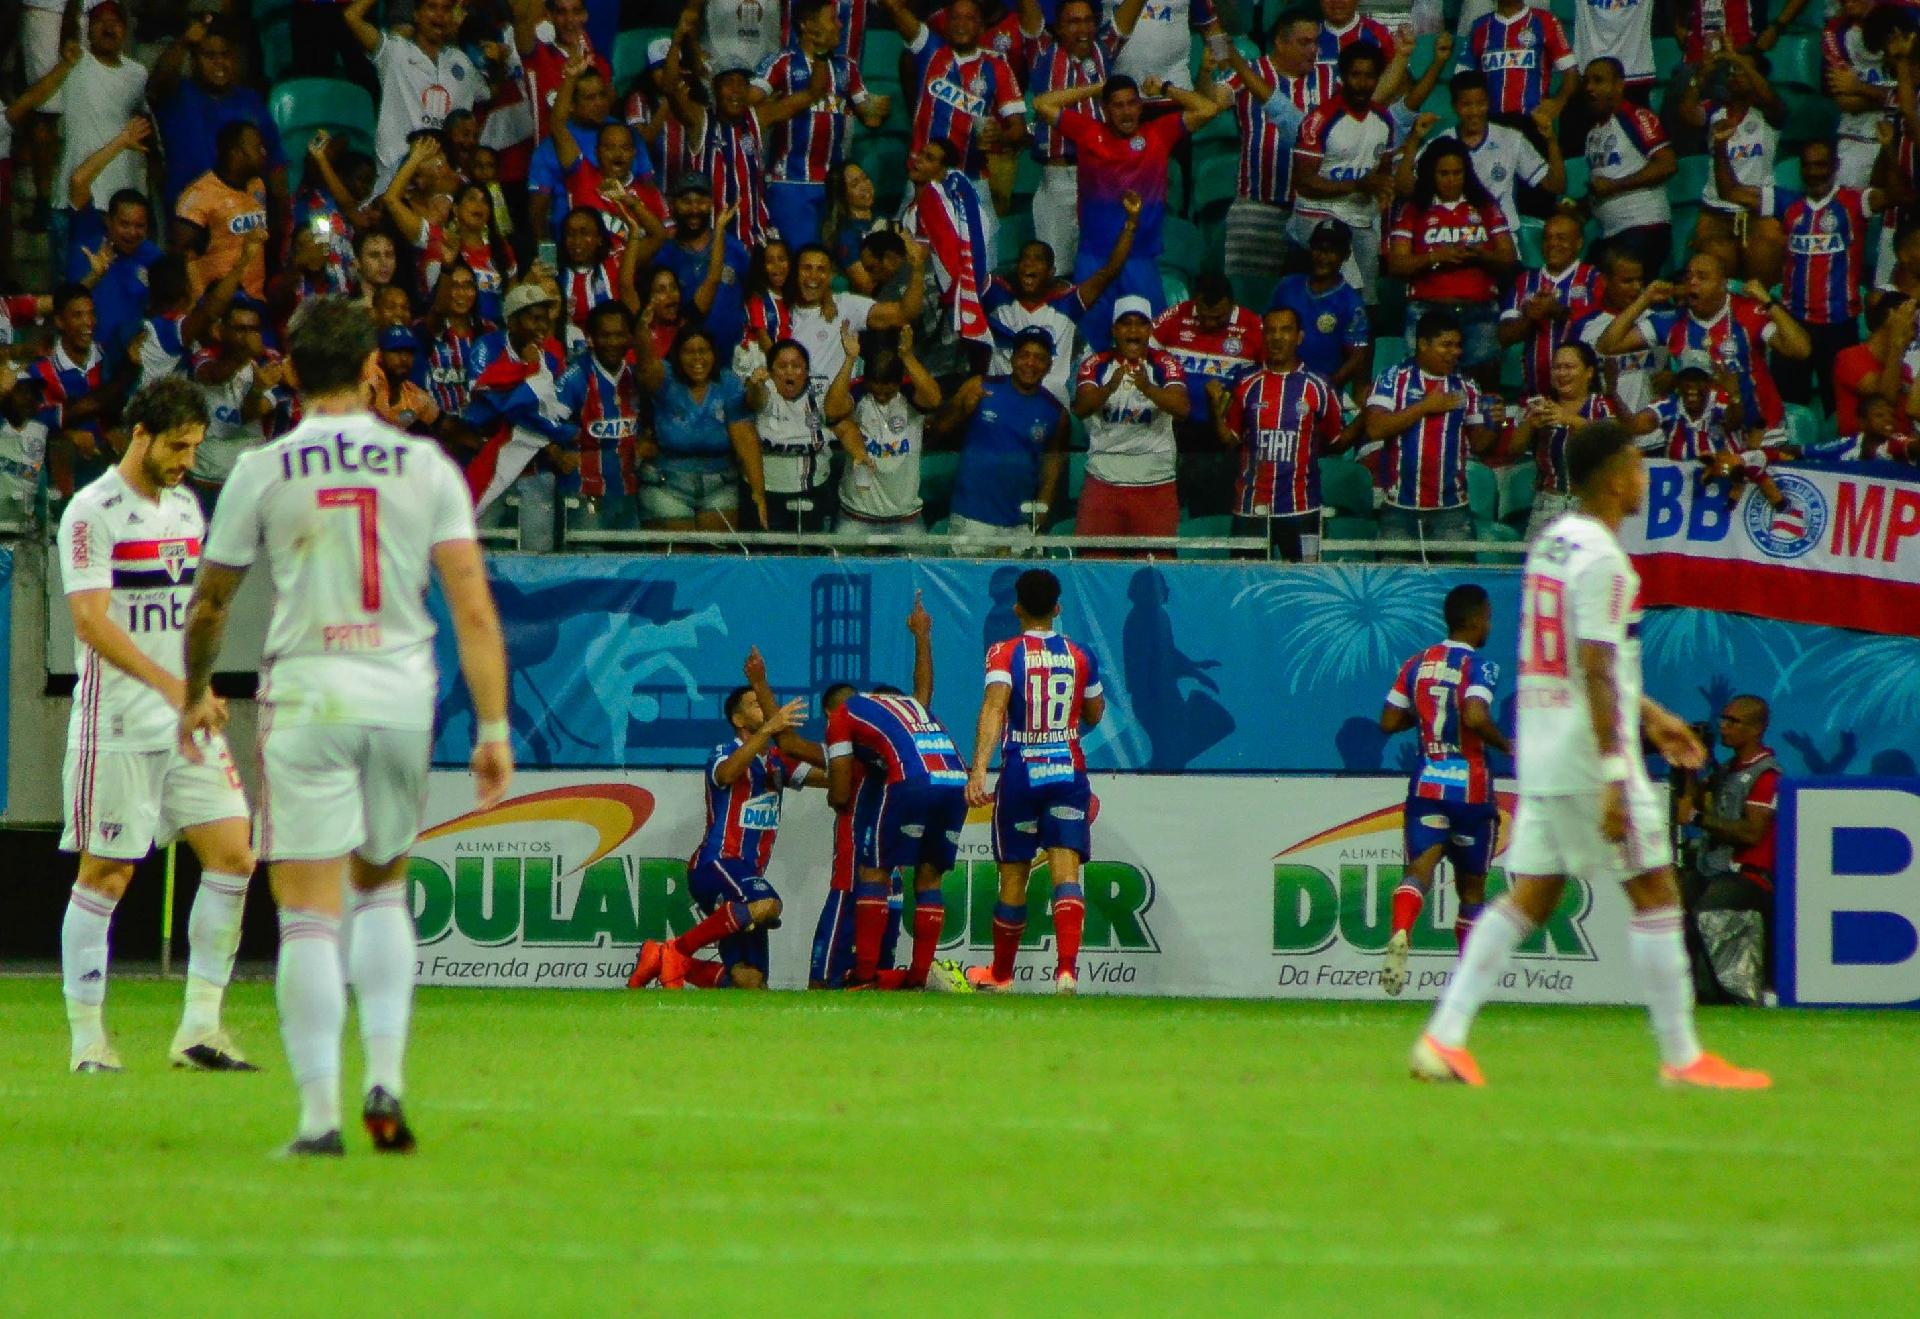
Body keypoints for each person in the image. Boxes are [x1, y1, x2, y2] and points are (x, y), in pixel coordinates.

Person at [178, 295, 512, 1154]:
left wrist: (196, 688)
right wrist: (493, 727)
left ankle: (321, 1117)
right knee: (383, 889)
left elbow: (211, 603)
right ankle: (386, 1078)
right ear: (371, 368)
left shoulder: (263, 468)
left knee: (308, 913)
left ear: (290, 370)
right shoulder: (425, 465)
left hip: (309, 694)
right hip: (399, 693)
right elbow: (474, 607)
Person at [1409, 420, 1769, 1090]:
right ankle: (1682, 1056)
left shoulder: (1553, 543)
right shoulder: (1605, 560)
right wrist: (1612, 772)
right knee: (1655, 891)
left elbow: (1583, 661)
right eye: (1638, 465)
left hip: (1545, 749)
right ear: (1615, 477)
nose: (1645, 477)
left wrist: (1655, 717)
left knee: (1531, 896)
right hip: (1587, 753)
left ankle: (1443, 1037)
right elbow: (1597, 668)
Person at [53, 377, 256, 1074]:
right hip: (116, 724)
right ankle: (88, 1042)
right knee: (106, 875)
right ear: (140, 435)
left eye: (194, 448)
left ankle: (200, 1030)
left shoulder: (186, 507)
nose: (186, 461)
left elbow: (189, 614)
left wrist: (197, 688)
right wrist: (175, 688)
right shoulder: (91, 512)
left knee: (234, 856)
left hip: (184, 721)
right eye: (176, 446)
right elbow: (91, 622)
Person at [964, 568, 1105, 994]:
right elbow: (1095, 712)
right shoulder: (1080, 655)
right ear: (1057, 608)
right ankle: (1066, 972)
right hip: (1067, 770)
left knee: (1013, 876)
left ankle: (1002, 975)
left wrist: (978, 769)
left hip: (1022, 772)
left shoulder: (1004, 652)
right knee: (1066, 873)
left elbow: (994, 708)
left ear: (1017, 608)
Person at [631, 680, 815, 990]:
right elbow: (726, 774)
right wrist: (769, 729)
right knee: (768, 904)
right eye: (755, 704)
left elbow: (832, 779)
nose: (765, 708)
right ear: (738, 719)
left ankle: (662, 957)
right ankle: (678, 949)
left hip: (745, 880)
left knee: (751, 983)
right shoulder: (723, 752)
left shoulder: (777, 762)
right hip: (716, 864)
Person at [1378, 583, 1511, 996]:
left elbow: (1388, 721)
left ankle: (1401, 930)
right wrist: (1507, 745)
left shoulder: (1416, 663)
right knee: (1470, 891)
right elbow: (1475, 715)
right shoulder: (1480, 666)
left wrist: (1424, 717)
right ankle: (1467, 983)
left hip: (1428, 785)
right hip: (1470, 792)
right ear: (1476, 619)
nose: (1490, 625)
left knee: (1418, 872)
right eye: (1488, 618)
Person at [1712, 127, 1903, 414]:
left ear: (1835, 166)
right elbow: (1730, 192)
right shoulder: (1787, 202)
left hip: (1839, 325)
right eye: (1807, 165)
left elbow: (1898, 195)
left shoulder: (1854, 202)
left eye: (1821, 165)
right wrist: (1719, 145)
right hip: (1794, 322)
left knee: (1841, 409)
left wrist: (1888, 149)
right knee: (1788, 408)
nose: (1813, 172)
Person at [1031, 74, 1225, 348]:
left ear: (1141, 106)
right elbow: (1041, 103)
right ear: (1105, 109)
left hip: (1140, 259)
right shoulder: (1088, 132)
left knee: (1152, 342)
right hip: (1094, 259)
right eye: (1118, 105)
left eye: (1132, 103)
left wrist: (1165, 88)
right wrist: (1097, 88)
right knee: (1089, 346)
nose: (1126, 112)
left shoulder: (1159, 133)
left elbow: (1208, 108)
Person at [1596, 252, 1811, 445]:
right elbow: (1608, 345)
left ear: (1723, 284)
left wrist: (1769, 303)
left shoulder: (1747, 313)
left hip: (1763, 433)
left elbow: (1801, 349)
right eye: (1689, 276)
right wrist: (1645, 299)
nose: (1692, 282)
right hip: (1710, 439)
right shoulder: (1671, 322)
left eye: (1702, 277)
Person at [1209, 305, 1347, 561]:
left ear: (1299, 337)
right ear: (1263, 336)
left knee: (1305, 582)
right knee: (1246, 582)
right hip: (1251, 508)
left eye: (1285, 330)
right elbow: (1230, 441)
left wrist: (1366, 414)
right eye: (1271, 331)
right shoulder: (1245, 383)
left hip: (1302, 509)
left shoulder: (1319, 385)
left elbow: (1337, 441)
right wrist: (1216, 411)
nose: (1277, 337)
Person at [1213, 7, 1333, 301]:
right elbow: (1214, 101)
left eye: (1316, 42)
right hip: (1258, 207)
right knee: (1247, 301)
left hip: (1314, 210)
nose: (1313, 49)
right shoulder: (1249, 72)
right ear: (1280, 42)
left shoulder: (1331, 76)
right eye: (1304, 42)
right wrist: (1206, 71)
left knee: (1310, 302)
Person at [752, 0, 893, 250]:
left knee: (832, 261)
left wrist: (879, 108)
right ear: (807, 25)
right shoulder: (782, 63)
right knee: (800, 258)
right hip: (791, 183)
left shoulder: (847, 67)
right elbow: (749, 103)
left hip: (834, 189)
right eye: (832, 19)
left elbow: (870, 117)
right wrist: (777, 108)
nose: (840, 25)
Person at [1385, 135, 1517, 389]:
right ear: (1430, 174)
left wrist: (1479, 254)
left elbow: (1508, 258)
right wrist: (1437, 256)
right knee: (1423, 390)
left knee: (1482, 392)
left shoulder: (1485, 206)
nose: (1451, 180)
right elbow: (1396, 265)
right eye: (1444, 173)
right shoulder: (1414, 209)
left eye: (1458, 173)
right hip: (1427, 312)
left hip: (1480, 312)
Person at [983, 191, 1141, 404]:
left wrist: (1131, 224)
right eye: (1024, 258)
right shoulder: (996, 295)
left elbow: (1110, 270)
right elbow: (964, 268)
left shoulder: (1068, 303)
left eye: (1038, 259)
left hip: (1050, 402)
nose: (1029, 263)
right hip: (1000, 401)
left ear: (1051, 272)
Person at [1019, 0, 1138, 279]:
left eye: (1088, 21)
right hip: (1059, 179)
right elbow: (1029, 11)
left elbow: (1130, 12)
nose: (1083, 28)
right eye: (1073, 22)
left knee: (1103, 267)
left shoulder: (1103, 49)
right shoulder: (1042, 52)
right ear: (1058, 28)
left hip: (1101, 177)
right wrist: (1099, 88)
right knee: (1057, 271)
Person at [1679, 695, 1782, 1006]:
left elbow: (1752, 833)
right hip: (1713, 869)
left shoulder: (1767, 775)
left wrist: (1697, 818)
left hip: (1749, 876)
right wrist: (1690, 765)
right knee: (1674, 906)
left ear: (1756, 728)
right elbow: (1692, 803)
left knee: (1709, 911)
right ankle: (1693, 994)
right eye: (1723, 719)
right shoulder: (1726, 770)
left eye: (1732, 721)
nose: (1723, 726)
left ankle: (1731, 995)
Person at [1364, 309, 1499, 547]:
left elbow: (1480, 445)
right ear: (1423, 344)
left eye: (1458, 345)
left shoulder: (1467, 386)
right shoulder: (1392, 379)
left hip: (1452, 512)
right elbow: (1375, 429)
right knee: (1395, 573)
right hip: (1399, 510)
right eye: (1446, 345)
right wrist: (1425, 406)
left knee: (1455, 572)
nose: (1455, 352)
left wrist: (1495, 422)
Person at [150, 14, 289, 227]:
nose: (219, 62)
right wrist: (184, 42)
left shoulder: (250, 100)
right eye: (210, 55)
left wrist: (283, 220)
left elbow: (275, 160)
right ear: (194, 59)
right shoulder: (177, 94)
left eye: (225, 54)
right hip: (190, 221)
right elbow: (158, 81)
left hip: (242, 219)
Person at [1073, 295, 1189, 545]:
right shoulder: (1096, 364)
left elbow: (1182, 409)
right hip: (1103, 482)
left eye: (1141, 323)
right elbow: (1081, 408)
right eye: (1126, 324)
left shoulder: (1166, 363)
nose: (1133, 330)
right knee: (1095, 562)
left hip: (1156, 483)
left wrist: (1148, 388)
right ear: (1114, 330)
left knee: (1156, 563)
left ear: (1149, 330)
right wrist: (1109, 388)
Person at [937, 327, 1070, 544]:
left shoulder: (1056, 413)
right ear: (1013, 358)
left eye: (1039, 358)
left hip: (1020, 524)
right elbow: (939, 429)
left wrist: (1038, 520)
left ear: (1049, 366)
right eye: (1024, 355)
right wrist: (962, 411)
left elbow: (1052, 472)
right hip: (972, 518)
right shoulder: (979, 386)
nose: (1030, 363)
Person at [1291, 42, 1400, 302]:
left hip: (1361, 218)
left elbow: (1383, 173)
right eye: (1355, 75)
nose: (1362, 84)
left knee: (1369, 298)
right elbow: (1304, 182)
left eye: (1369, 76)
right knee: (1348, 290)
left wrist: (1384, 189)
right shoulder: (1321, 119)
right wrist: (1357, 185)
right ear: (1343, 76)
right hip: (1318, 215)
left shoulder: (1384, 119)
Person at [1151, 271, 1266, 517]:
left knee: (1212, 509)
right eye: (1204, 317)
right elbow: (1141, 353)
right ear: (1195, 302)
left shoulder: (1254, 326)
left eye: (1219, 318)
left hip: (1224, 435)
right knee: (1165, 508)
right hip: (1175, 430)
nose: (1211, 324)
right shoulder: (1175, 316)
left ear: (1232, 305)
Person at [634, 318, 766, 531]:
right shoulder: (664, 378)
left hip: (720, 484)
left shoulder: (728, 382)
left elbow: (745, 438)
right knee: (677, 553)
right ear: (678, 355)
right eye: (689, 351)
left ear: (714, 354)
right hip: (666, 485)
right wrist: (642, 330)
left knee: (716, 553)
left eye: (704, 351)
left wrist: (758, 494)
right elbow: (645, 367)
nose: (697, 358)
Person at [1674, 43, 1785, 282]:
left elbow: (1770, 97)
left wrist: (1736, 57)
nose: (1735, 75)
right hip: (1716, 212)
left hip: (1757, 211)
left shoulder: (1769, 113)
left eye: (1742, 70)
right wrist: (1700, 76)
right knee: (1711, 274)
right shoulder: (1714, 110)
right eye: (1732, 70)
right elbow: (1686, 113)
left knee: (1763, 270)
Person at [881, 0, 1026, 180]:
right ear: (946, 24)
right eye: (955, 18)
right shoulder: (929, 49)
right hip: (924, 176)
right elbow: (894, 7)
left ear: (981, 28)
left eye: (969, 18)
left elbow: (1019, 130)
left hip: (972, 178)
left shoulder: (997, 67)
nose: (961, 24)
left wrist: (1000, 137)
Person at [344, 0, 479, 188]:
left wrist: (498, 68)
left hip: (440, 184)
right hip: (392, 178)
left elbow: (488, 95)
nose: (440, 14)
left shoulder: (463, 62)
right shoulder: (394, 51)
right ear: (416, 15)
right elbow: (351, 16)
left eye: (446, 9)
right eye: (432, 7)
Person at [53, 1, 148, 254]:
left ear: (125, 30)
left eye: (115, 22)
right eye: (99, 21)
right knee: (72, 276)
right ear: (88, 29)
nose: (108, 27)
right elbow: (67, 32)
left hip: (121, 204)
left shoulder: (138, 74)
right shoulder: (74, 61)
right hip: (74, 197)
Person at [831, 329, 941, 537]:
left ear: (899, 382)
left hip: (906, 515)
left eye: (888, 392)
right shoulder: (859, 393)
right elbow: (832, 410)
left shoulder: (910, 394)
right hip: (856, 514)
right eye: (876, 391)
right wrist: (850, 360)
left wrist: (907, 356)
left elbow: (934, 399)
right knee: (839, 560)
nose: (881, 397)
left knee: (922, 559)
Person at [1431, 72, 1564, 238]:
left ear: (1488, 102)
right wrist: (1414, 139)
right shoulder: (1441, 142)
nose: (1474, 111)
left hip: (1503, 236)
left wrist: (1551, 140)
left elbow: (1555, 186)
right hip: (1457, 234)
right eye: (1466, 105)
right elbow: (1407, 187)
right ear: (1454, 106)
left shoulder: (1511, 138)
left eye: (1480, 103)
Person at [1514, 341, 1621, 540]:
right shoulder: (1541, 405)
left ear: (1589, 372)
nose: (1562, 373)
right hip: (1548, 505)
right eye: (1557, 367)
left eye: (1569, 367)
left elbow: (1615, 441)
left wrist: (1568, 419)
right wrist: (1530, 425)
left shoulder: (1601, 406)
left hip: (1590, 506)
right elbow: (1514, 450)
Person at [191, 294, 292, 503]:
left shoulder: (270, 363)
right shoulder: (206, 355)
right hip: (206, 479)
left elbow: (247, 415)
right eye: (240, 329)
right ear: (220, 331)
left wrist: (258, 387)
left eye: (253, 330)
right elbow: (212, 376)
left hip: (249, 481)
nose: (247, 336)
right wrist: (244, 354)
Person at [746, 336, 852, 532]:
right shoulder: (764, 388)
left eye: (796, 366)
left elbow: (840, 413)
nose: (789, 371)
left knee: (813, 549)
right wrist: (755, 385)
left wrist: (850, 359)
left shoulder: (820, 390)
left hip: (813, 489)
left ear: (807, 371)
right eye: (782, 366)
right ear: (770, 371)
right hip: (768, 493)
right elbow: (755, 401)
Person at [1581, 57, 1675, 277]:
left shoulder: (1635, 117)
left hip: (1643, 228)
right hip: (1610, 234)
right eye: (1586, 82)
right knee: (1585, 284)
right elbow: (1604, 185)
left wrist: (1615, 186)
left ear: (1619, 85)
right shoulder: (1593, 133)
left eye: (1598, 81)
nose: (1589, 88)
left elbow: (1667, 164)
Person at [1498, 211, 1604, 400]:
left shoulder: (1594, 278)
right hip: (1536, 397)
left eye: (1561, 238)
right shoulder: (1524, 281)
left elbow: (1603, 328)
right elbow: (1504, 337)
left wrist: (1557, 311)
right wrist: (1530, 318)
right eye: (1547, 238)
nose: (1553, 244)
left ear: (1579, 243)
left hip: (1585, 399)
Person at [1268, 219, 1370, 406]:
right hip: (1277, 382)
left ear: (1346, 255)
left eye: (1331, 251)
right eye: (1318, 248)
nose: (1322, 256)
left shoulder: (1351, 302)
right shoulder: (1287, 286)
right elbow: (1265, 330)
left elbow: (1357, 357)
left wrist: (1324, 387)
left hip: (1321, 394)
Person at [654, 172, 753, 352]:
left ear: (711, 203)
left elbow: (750, 293)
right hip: (683, 359)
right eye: (686, 202)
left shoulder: (735, 249)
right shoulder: (664, 255)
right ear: (672, 205)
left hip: (732, 361)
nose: (694, 209)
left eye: (701, 201)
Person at [173, 121, 270, 303]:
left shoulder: (257, 186)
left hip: (255, 300)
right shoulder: (200, 195)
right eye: (257, 148)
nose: (264, 153)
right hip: (217, 304)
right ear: (236, 153)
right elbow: (180, 256)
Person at [1572, 248, 1666, 417]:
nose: (1636, 287)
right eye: (1627, 281)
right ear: (1605, 280)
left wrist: (1672, 378)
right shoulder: (1583, 324)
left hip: (1649, 427)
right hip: (1603, 424)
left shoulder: (1654, 319)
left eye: (1639, 280)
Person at [1456, 0, 1576, 121]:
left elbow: (1571, 72)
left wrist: (1558, 103)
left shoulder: (1545, 20)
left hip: (1531, 120)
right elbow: (1461, 77)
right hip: (1491, 122)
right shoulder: (1479, 26)